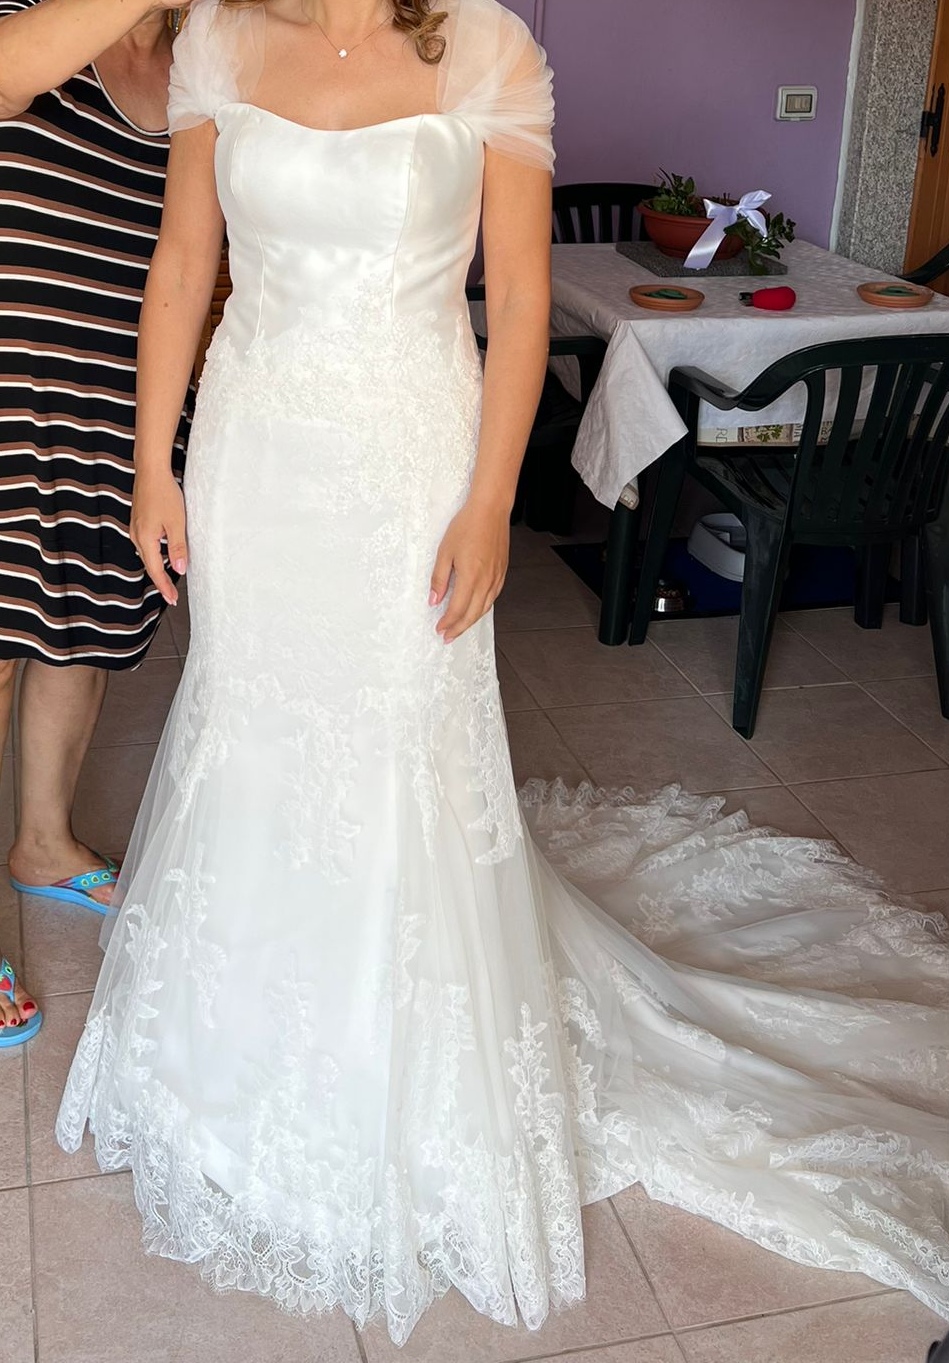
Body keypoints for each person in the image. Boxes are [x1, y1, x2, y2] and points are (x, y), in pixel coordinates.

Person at [55, 0, 949, 1345]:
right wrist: (150, 465)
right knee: (256, 728)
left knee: (399, 741)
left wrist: (487, 502)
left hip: (411, 460)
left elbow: (522, 298)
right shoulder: (219, 41)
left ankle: (389, 1068)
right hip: (255, 453)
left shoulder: (486, 48)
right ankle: (229, 1056)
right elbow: (184, 263)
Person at [0, 0, 191, 1041]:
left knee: (81, 627)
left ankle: (43, 842)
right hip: (8, 391)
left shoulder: (206, 55)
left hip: (117, 407)